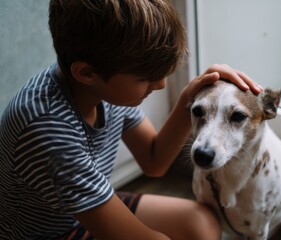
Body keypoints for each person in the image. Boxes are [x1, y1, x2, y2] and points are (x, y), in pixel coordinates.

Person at [0, 0, 262, 239]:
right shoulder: (47, 129)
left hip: (77, 209)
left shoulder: (101, 89)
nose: (159, 84)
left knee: (201, 223)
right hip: (44, 233)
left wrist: (192, 96)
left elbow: (154, 160)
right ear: (87, 73)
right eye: (145, 78)